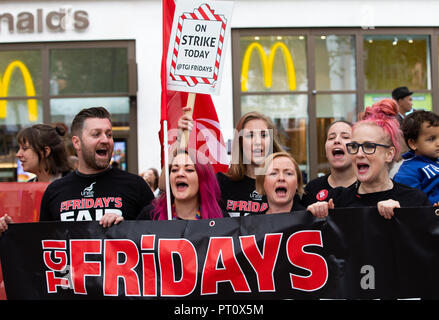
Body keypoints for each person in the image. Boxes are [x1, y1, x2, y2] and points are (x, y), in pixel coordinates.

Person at [307, 99, 431, 220]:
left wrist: (403, 215)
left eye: (369, 146)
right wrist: (315, 217)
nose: (359, 154)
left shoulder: (414, 200)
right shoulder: (336, 200)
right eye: (354, 146)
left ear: (389, 154)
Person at [36, 106, 154, 227]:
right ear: (77, 142)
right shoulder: (54, 191)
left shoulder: (136, 186)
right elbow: (43, 242)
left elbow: (154, 235)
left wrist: (124, 228)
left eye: (109, 134)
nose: (105, 140)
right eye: (96, 134)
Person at [178, 108, 285, 217]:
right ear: (240, 143)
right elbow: (166, 186)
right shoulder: (220, 183)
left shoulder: (284, 183)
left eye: (263, 135)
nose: (257, 142)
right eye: (250, 135)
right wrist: (180, 141)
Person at [137, 149, 224, 220]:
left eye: (189, 169)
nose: (180, 174)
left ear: (203, 179)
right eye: (174, 170)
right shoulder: (151, 215)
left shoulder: (220, 218)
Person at [301, 120, 357, 206]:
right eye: (331, 138)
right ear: (326, 151)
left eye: (345, 137)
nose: (337, 140)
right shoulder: (312, 189)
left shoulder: (367, 187)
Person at [393, 110, 439, 205]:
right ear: (413, 144)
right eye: (431, 139)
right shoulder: (408, 171)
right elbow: (410, 202)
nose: (438, 143)